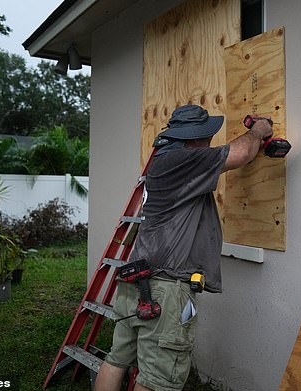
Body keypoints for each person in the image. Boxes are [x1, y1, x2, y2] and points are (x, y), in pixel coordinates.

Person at [95, 104, 273, 391]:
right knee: (156, 379)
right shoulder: (183, 160)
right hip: (163, 290)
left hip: (136, 281)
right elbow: (241, 153)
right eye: (206, 137)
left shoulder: (162, 162)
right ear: (193, 139)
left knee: (117, 359)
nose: (209, 143)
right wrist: (258, 131)